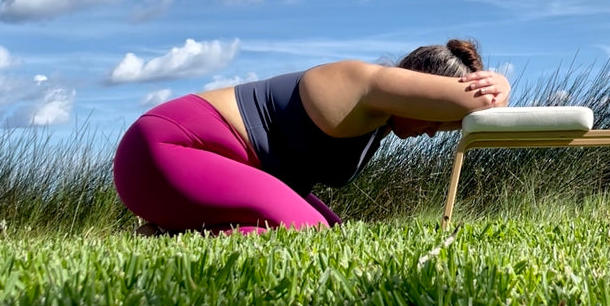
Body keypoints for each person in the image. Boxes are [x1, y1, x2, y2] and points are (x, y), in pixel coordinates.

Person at [112, 38, 510, 235]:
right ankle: (167, 232)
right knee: (311, 238)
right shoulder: (363, 83)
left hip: (204, 168)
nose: (431, 132)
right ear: (418, 87)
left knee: (339, 235)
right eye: (436, 120)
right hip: (167, 147)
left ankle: (164, 234)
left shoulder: (377, 123)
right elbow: (484, 99)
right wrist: (501, 82)